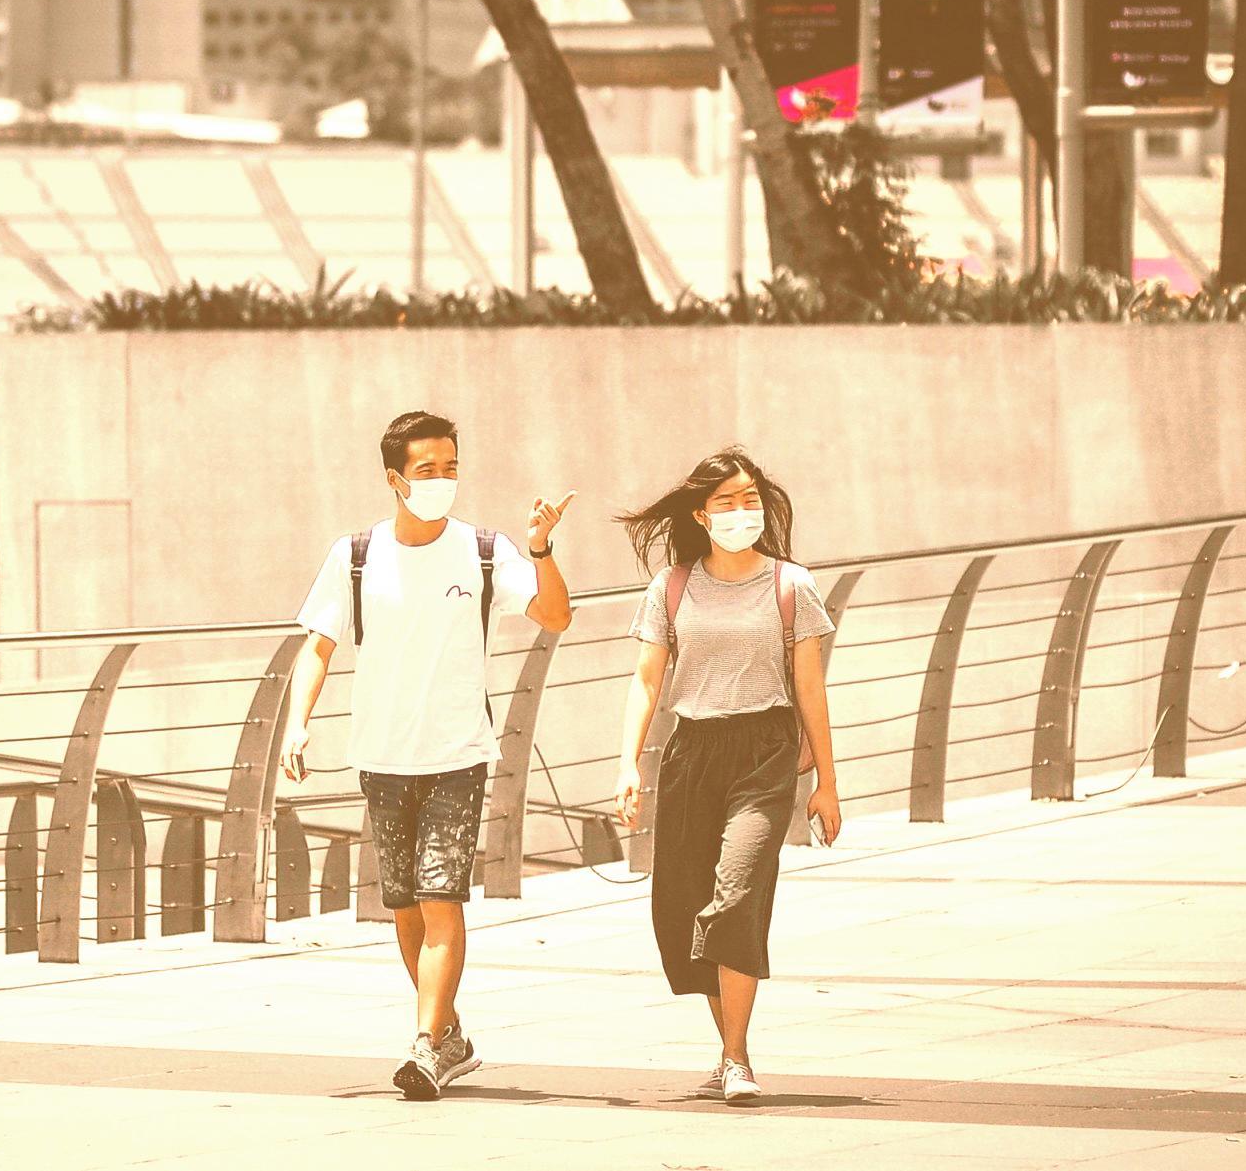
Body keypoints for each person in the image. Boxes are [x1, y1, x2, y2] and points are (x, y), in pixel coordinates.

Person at [282, 410, 574, 1101]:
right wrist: (296, 723)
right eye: (426, 469)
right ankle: (449, 1035)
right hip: (382, 756)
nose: (442, 479)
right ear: (395, 478)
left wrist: (541, 549)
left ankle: (422, 1045)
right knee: (407, 907)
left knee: (441, 898)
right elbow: (318, 644)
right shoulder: (355, 555)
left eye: (451, 467)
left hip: (457, 754)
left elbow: (556, 616)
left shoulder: (483, 550)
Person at [613, 447, 841, 1106]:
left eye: (751, 499)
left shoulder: (791, 585)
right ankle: (728, 1049)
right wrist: (627, 761)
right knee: (686, 908)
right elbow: (646, 679)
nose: (742, 512)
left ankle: (736, 1058)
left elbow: (811, 686)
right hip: (692, 752)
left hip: (765, 750)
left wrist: (827, 782)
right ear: (700, 514)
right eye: (727, 502)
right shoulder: (672, 587)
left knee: (736, 895)